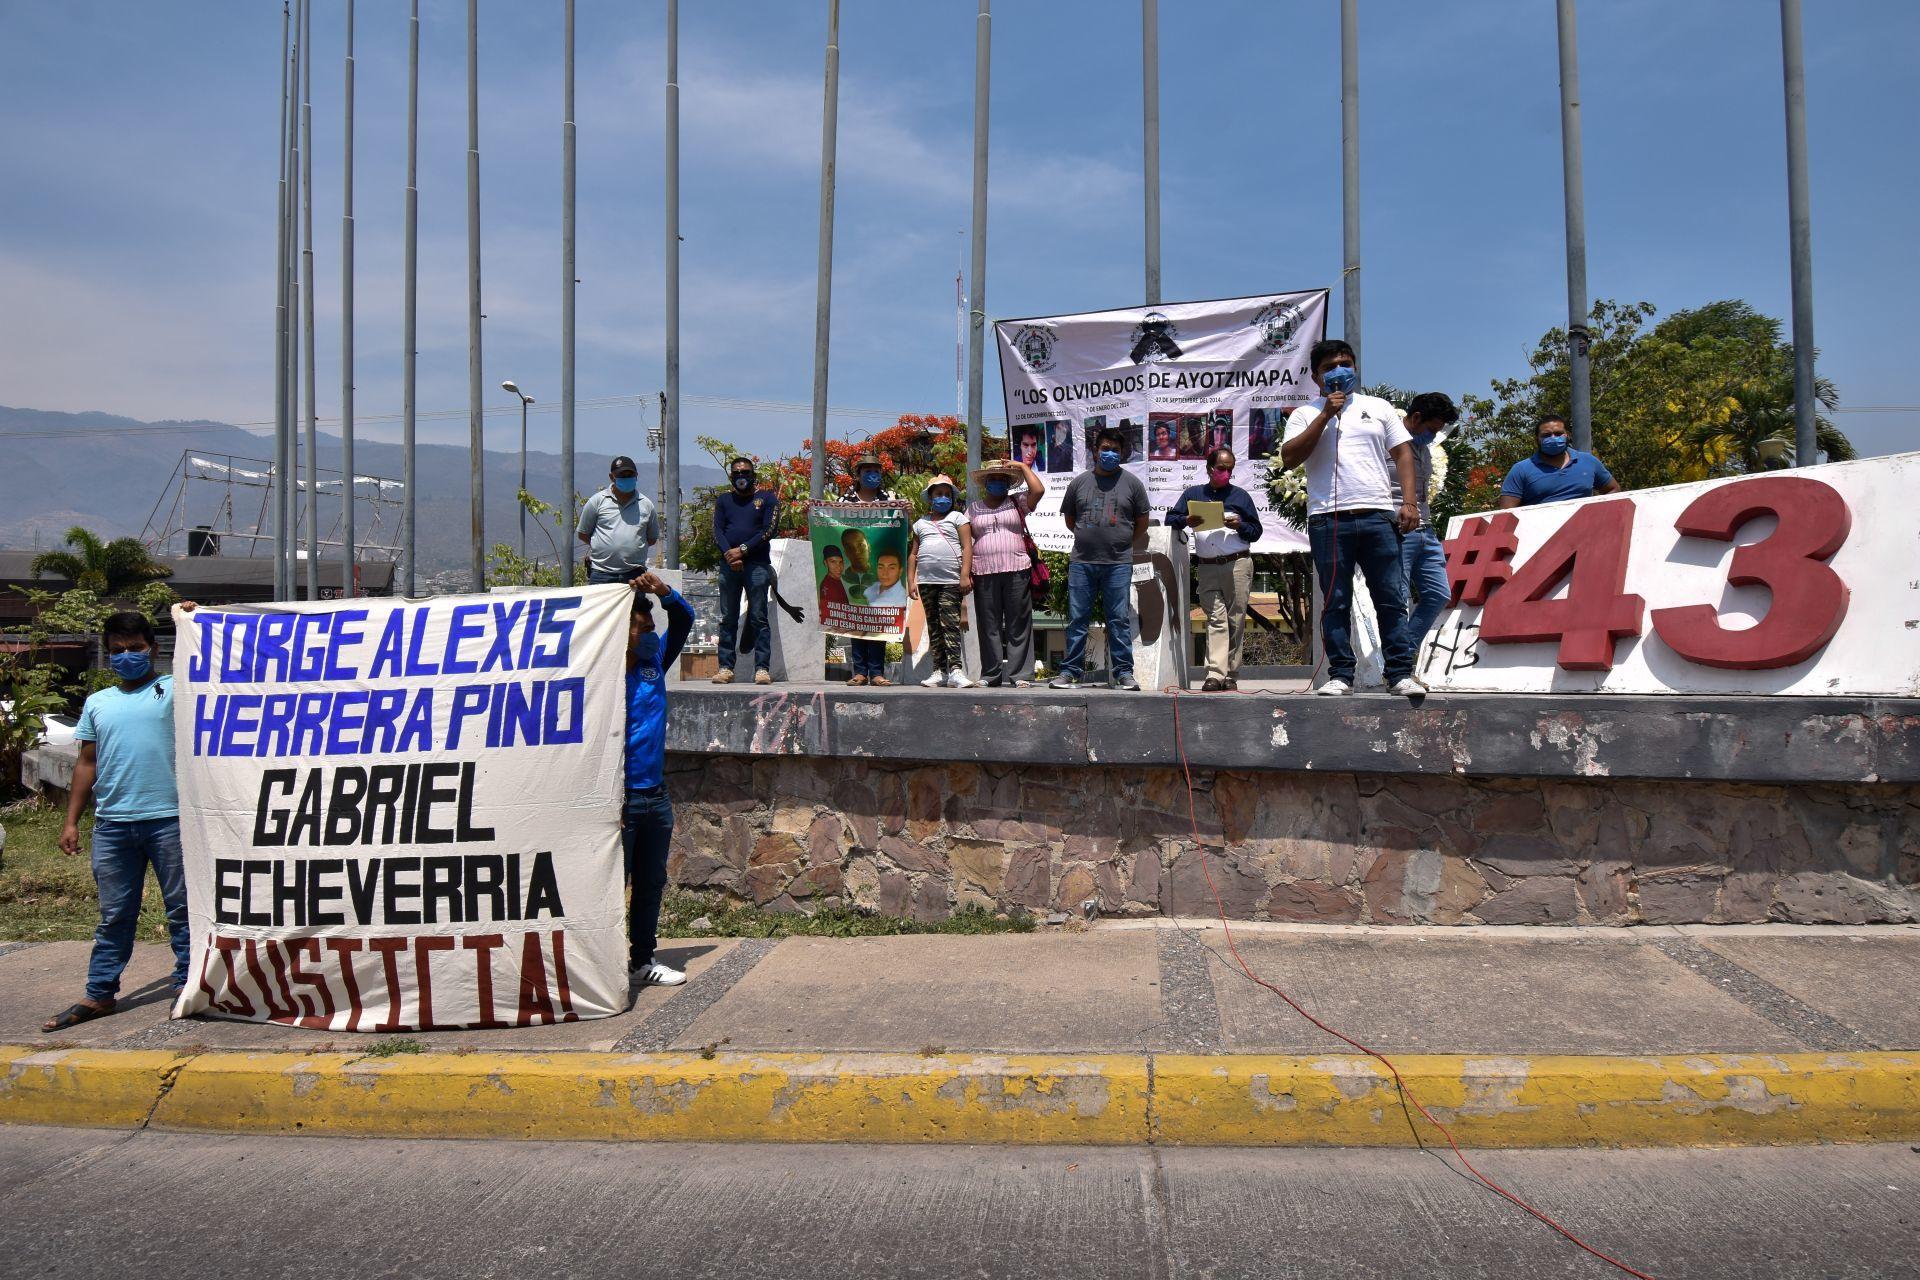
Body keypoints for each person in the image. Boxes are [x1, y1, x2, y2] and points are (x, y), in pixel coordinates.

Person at [43, 608, 194, 1033]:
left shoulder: (176, 688)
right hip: (112, 825)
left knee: (182, 910)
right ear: (108, 654)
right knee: (114, 915)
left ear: (154, 649)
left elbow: (209, 664)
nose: (127, 656)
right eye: (117, 650)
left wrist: (193, 621)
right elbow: (86, 764)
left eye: (135, 648)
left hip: (170, 820)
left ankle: (188, 984)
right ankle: (99, 994)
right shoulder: (98, 702)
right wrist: (71, 821)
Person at [1280, 338, 1423, 697]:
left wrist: (1409, 502)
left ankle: (1399, 674)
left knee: (1390, 597)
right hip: (1328, 519)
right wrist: (1326, 415)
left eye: (1345, 364)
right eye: (1329, 367)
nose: (1339, 371)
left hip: (1378, 515)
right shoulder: (1305, 414)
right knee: (1336, 600)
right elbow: (1290, 458)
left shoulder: (1379, 407)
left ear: (1355, 368)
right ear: (1316, 377)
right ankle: (1341, 674)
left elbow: (1403, 454)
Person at [622, 573, 694, 988]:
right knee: (613, 886)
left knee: (650, 884)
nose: (651, 635)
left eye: (652, 628)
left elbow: (684, 621)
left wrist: (663, 593)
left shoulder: (654, 664)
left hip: (656, 795)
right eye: (642, 628)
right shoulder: (603, 675)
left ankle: (642, 960)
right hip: (621, 800)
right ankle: (605, 964)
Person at [1051, 426, 1150, 691]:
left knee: (1118, 619)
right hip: (1082, 562)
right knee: (1077, 619)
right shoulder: (1079, 483)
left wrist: (1120, 541)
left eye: (1115, 450)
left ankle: (1124, 673)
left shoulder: (1133, 484)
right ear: (1095, 451)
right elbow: (1070, 520)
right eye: (1105, 449)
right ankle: (1070, 672)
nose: (1110, 454)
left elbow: (1142, 523)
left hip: (1118, 563)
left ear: (1122, 454)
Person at [1166, 447, 1264, 691]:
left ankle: (1231, 674)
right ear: (1210, 468)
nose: (1226, 473)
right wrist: (1186, 520)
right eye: (1222, 468)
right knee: (1216, 619)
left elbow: (1256, 532)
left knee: (1235, 620)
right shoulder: (1193, 494)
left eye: (1230, 469)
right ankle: (1215, 674)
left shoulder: (1241, 496)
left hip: (1237, 564)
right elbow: (1170, 519)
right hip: (1207, 566)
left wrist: (1240, 525)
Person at [1391, 392, 1462, 657]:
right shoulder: (1387, 438)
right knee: (1398, 598)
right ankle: (1398, 664)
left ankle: (1403, 654)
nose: (1433, 435)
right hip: (1398, 528)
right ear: (1416, 417)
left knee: (1438, 593)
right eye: (1431, 429)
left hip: (1426, 529)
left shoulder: (1423, 447)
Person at [967, 457, 1046, 687]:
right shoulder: (972, 509)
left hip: (1017, 569)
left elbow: (1038, 490)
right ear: (985, 483)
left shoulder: (1017, 501)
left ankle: (1020, 675)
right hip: (983, 571)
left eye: (1002, 479)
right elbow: (966, 542)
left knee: (1018, 623)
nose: (997, 483)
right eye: (993, 479)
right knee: (988, 624)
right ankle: (990, 675)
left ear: (1008, 484)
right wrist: (965, 572)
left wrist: (1022, 466)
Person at [712, 455, 779, 686]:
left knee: (759, 617)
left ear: (753, 475)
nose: (741, 477)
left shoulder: (767, 498)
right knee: (728, 618)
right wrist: (729, 555)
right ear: (731, 477)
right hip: (728, 565)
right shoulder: (723, 500)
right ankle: (725, 668)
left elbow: (769, 530)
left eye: (745, 473)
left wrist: (742, 550)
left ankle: (762, 669)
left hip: (757, 565)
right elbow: (717, 531)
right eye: (737, 473)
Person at [907, 475, 974, 689]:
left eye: (947, 494)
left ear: (952, 498)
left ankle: (956, 671)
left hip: (950, 581)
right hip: (927, 582)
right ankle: (939, 671)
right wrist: (911, 581)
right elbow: (913, 554)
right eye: (938, 494)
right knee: (934, 627)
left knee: (950, 625)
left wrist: (964, 575)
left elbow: (967, 547)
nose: (943, 498)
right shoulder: (920, 523)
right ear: (930, 498)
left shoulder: (958, 518)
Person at [841, 451, 900, 686]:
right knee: (856, 618)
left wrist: (905, 511)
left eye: (876, 471)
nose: (872, 475)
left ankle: (876, 672)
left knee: (878, 618)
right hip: (854, 569)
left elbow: (902, 529)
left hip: (879, 568)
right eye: (867, 471)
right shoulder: (845, 501)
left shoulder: (891, 499)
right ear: (858, 474)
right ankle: (859, 672)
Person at [1498, 415, 1621, 508]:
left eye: (1558, 434)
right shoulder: (1521, 470)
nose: (1553, 438)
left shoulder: (1588, 461)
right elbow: (1507, 513)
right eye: (1546, 435)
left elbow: (1613, 489)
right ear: (1537, 439)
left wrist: (1598, 512)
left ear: (1567, 435)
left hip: (1585, 530)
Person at [576, 455, 660, 584]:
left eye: (630, 475)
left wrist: (632, 548)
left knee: (636, 599)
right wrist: (603, 546)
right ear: (612, 477)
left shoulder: (646, 505)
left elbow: (652, 539)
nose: (626, 478)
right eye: (621, 475)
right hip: (601, 574)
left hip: (635, 575)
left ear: (636, 476)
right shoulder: (597, 501)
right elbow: (583, 533)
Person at [818, 545, 850, 612]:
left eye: (840, 562)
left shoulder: (836, 579)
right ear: (826, 563)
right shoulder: (827, 585)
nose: (838, 567)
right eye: (833, 562)